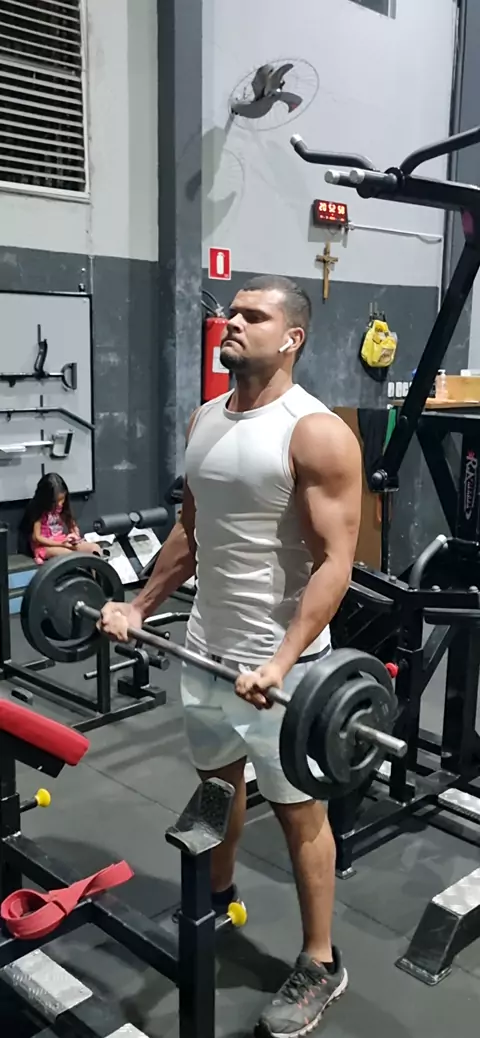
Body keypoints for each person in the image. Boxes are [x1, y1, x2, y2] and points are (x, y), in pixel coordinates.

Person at [99, 274, 362, 1037]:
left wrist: (281, 662)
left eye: (254, 315)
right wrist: (139, 605)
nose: (234, 322)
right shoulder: (206, 418)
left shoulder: (313, 432)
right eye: (232, 312)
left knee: (300, 813)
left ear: (292, 337)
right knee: (217, 784)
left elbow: (335, 563)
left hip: (284, 672)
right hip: (208, 649)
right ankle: (212, 899)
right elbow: (192, 529)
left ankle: (321, 961)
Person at [20, 472, 101, 564]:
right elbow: (36, 537)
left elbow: (71, 524)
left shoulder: (62, 507)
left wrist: (75, 535)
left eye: (62, 499)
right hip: (44, 546)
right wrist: (61, 544)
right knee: (70, 556)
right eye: (56, 501)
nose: (60, 504)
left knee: (94, 549)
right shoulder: (38, 510)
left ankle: (95, 572)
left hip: (61, 540)